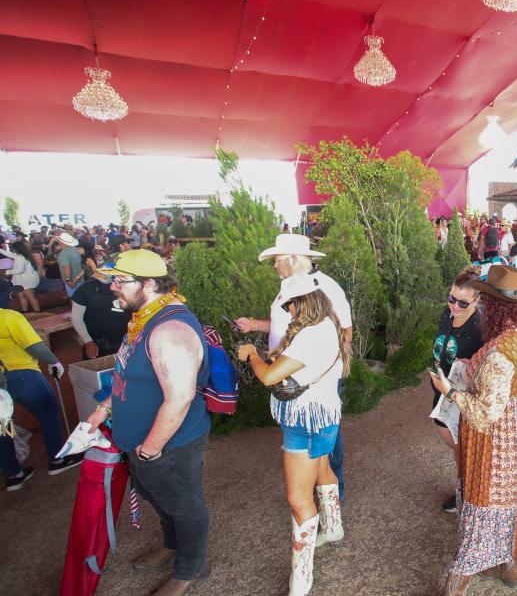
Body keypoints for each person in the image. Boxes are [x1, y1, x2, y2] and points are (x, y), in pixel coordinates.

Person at [86, 251, 211, 594]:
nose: (113, 287)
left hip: (168, 445)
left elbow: (180, 397)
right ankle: (173, 546)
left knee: (184, 507)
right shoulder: (143, 317)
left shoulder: (169, 330)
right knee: (160, 499)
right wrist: (105, 409)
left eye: (120, 281)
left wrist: (151, 449)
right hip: (143, 443)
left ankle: (191, 568)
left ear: (150, 284)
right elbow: (130, 377)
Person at [429, 265, 517, 594]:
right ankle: (507, 567)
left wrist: (451, 392)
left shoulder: (500, 351)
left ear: (496, 306)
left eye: (486, 300)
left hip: (499, 439)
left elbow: (487, 412)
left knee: (487, 501)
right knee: (512, 500)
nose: (482, 306)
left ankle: (457, 583)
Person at [237, 273, 348, 596]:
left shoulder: (310, 335)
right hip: (324, 416)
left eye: (289, 304)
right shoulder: (326, 325)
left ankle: (301, 579)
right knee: (323, 469)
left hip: (305, 421)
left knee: (298, 499)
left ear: (302, 302)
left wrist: (252, 355)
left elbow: (271, 376)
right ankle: (334, 527)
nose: (287, 310)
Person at [236, 234, 353, 499]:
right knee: (319, 444)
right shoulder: (291, 287)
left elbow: (345, 331)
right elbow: (289, 324)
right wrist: (254, 325)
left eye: (277, 260)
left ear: (293, 258)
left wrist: (324, 367)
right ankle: (324, 504)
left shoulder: (325, 287)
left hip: (310, 380)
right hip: (290, 374)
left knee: (325, 440)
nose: (275, 266)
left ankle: (329, 499)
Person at [0, 308, 83, 490]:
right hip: (21, 374)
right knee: (48, 413)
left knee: (4, 426)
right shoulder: (9, 316)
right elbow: (34, 346)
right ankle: (57, 460)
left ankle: (14, 474)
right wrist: (54, 361)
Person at [431, 268, 483, 513]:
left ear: (477, 300)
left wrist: (471, 366)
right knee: (457, 446)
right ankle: (465, 487)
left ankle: (471, 494)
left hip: (465, 396)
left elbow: (491, 365)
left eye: (463, 302)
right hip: (442, 390)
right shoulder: (445, 315)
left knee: (467, 447)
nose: (455, 306)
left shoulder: (481, 325)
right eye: (451, 298)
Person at [70, 268, 133, 359]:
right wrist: (88, 341)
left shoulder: (131, 289)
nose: (111, 288)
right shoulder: (85, 288)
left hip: (124, 342)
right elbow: (76, 318)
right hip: (95, 343)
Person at [0, 241, 41, 312]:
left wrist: (5, 272)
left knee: (30, 297)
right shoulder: (22, 256)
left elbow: (19, 270)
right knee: (21, 296)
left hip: (26, 281)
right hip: (23, 280)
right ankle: (25, 312)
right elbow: (9, 254)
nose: (10, 249)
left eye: (11, 248)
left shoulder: (20, 258)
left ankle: (38, 312)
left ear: (16, 249)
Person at [54, 232, 85, 297]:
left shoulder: (63, 254)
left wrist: (68, 280)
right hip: (80, 279)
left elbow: (66, 267)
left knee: (74, 299)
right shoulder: (75, 249)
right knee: (81, 298)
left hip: (72, 281)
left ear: (61, 242)